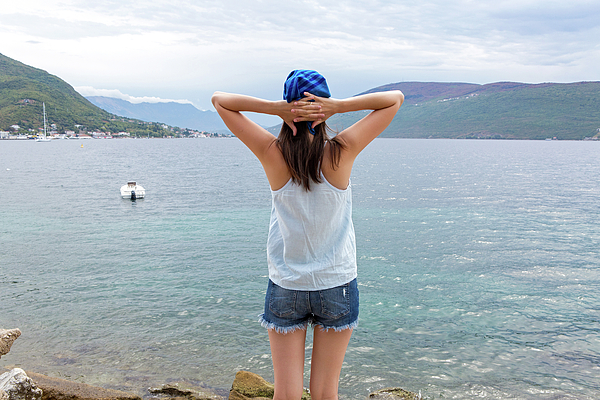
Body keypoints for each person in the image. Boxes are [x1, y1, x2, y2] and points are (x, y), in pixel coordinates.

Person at [211, 70, 403, 400]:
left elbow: (220, 102)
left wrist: (276, 109)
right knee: (325, 394)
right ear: (323, 106)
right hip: (337, 285)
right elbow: (394, 100)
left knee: (285, 394)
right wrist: (339, 107)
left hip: (287, 284)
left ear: (289, 110)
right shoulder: (342, 150)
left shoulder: (272, 152)